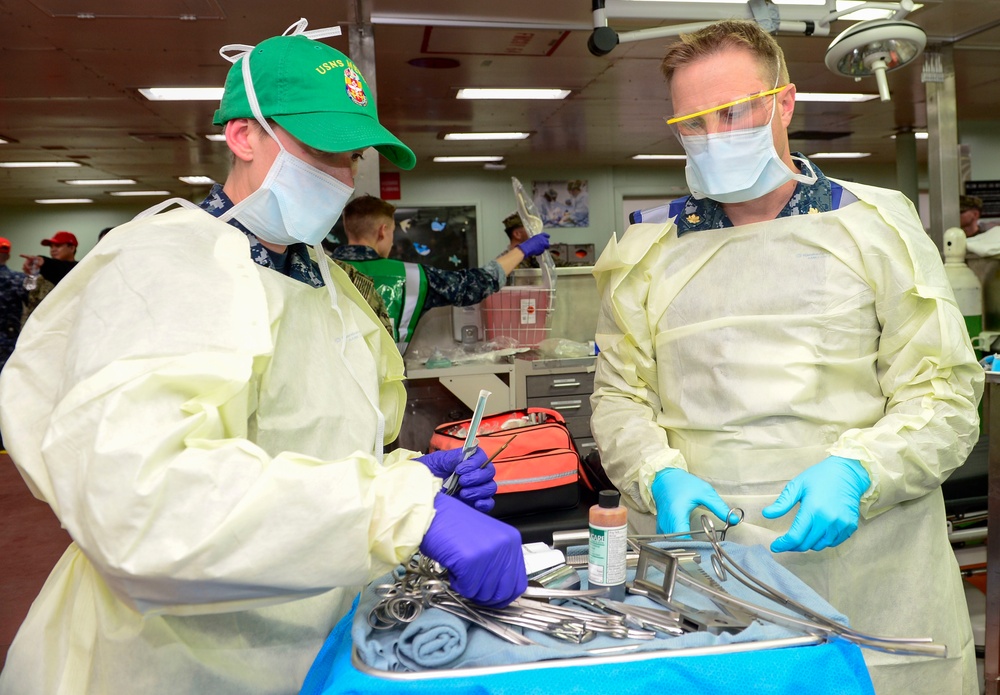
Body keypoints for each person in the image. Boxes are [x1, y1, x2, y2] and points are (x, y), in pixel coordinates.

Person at [0, 20, 526, 695]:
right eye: (321, 151)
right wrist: (396, 508)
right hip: (168, 662)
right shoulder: (163, 266)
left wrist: (409, 475)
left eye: (351, 156)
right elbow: (145, 501)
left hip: (305, 638)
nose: (341, 176)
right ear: (244, 136)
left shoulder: (324, 281)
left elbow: (303, 445)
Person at [590, 20, 981, 695]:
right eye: (692, 123)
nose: (714, 136)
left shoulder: (874, 227)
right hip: (709, 580)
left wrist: (862, 470)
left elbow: (943, 393)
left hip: (873, 579)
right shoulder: (647, 253)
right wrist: (658, 475)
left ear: (784, 102)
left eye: (733, 112)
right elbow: (620, 398)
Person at [334, 195, 550, 352]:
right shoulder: (411, 277)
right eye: (392, 233)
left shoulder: (322, 271)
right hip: (384, 391)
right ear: (383, 231)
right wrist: (522, 250)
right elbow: (472, 284)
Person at [20, 230, 78, 327]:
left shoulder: (78, 270)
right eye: (51, 246)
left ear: (72, 248)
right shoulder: (43, 274)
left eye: (58, 246)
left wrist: (41, 261)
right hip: (38, 326)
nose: (53, 249)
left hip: (65, 325)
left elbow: (62, 269)